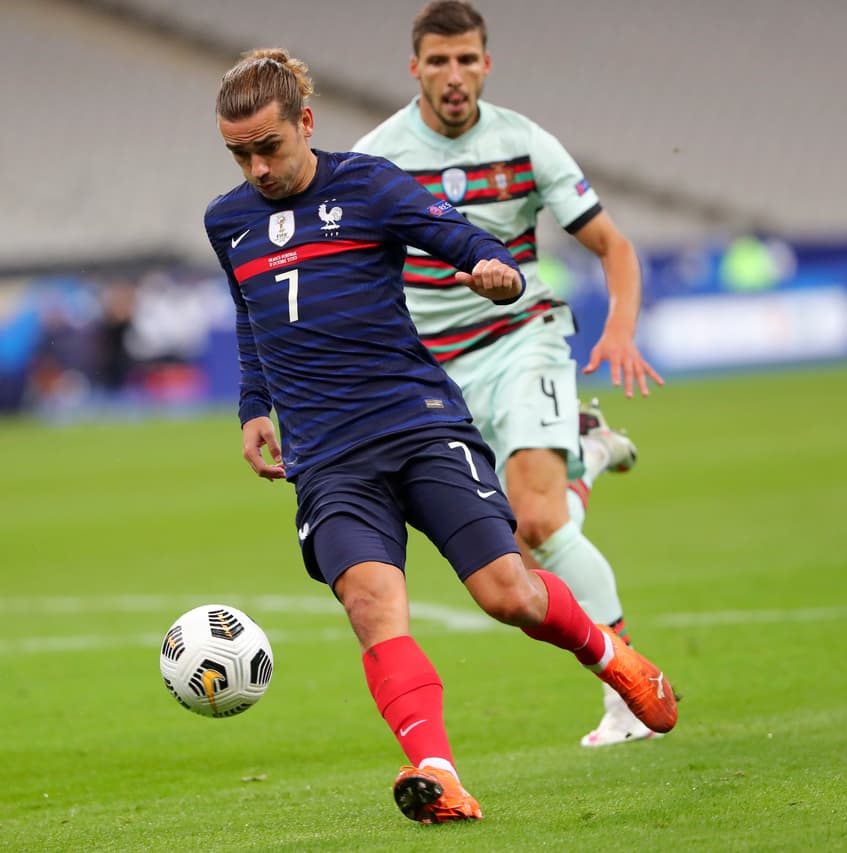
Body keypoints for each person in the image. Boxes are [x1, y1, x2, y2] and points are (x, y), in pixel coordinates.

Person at [205, 47, 676, 825]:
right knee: (371, 604)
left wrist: (495, 269)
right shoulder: (227, 221)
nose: (257, 168)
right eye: (239, 154)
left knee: (508, 593)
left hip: (417, 426)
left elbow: (466, 241)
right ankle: (437, 771)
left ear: (306, 123)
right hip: (327, 459)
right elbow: (249, 317)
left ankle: (610, 654)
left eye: (269, 147)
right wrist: (255, 404)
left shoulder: (370, 185)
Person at [353, 0, 668, 748]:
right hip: (433, 371)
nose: (454, 75)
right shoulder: (377, 157)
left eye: (467, 60)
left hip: (523, 338)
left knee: (542, 524)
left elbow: (614, 246)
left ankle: (626, 694)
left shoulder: (524, 143)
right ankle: (586, 455)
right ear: (415, 68)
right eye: (439, 61)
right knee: (513, 558)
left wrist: (620, 328)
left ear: (486, 64)